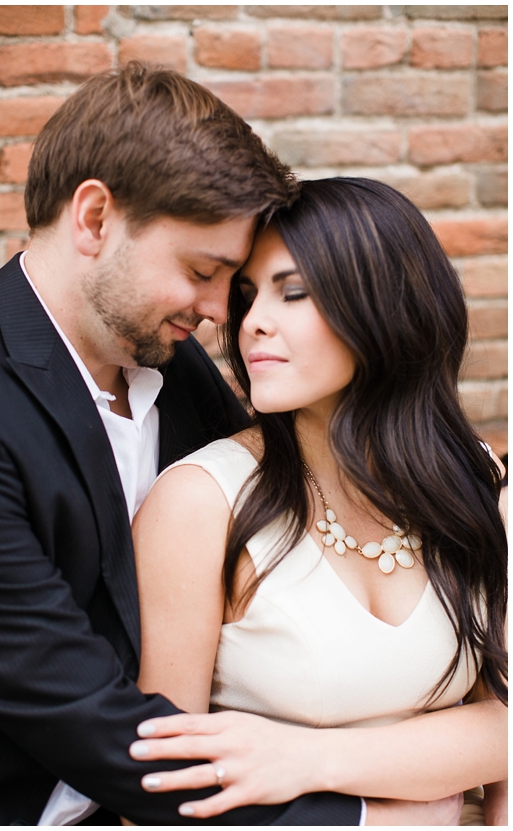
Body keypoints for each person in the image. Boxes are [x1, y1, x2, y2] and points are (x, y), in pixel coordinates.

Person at [0, 63, 454, 825]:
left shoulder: (174, 359)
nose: (229, 316)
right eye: (205, 271)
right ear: (94, 219)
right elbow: (102, 722)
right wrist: (376, 817)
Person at [128, 178, 507, 824]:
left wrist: (308, 757)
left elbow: (502, 729)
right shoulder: (201, 504)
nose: (252, 323)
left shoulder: (473, 479)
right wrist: (391, 815)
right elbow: (158, 793)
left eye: (293, 291)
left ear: (384, 304)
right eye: (248, 297)